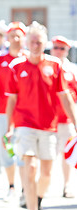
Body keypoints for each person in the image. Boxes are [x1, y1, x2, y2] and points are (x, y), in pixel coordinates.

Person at [5, 22, 77, 210]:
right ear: (27, 42)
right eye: (32, 41)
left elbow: (65, 98)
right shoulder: (16, 66)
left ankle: (37, 200)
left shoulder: (55, 66)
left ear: (45, 43)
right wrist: (9, 126)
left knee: (46, 174)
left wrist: (75, 122)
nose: (35, 45)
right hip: (24, 125)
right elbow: (11, 100)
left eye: (39, 42)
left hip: (49, 127)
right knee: (31, 168)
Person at [0, 21, 27, 202]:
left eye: (19, 35)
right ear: (7, 38)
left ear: (23, 38)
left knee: (25, 149)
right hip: (3, 113)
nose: (15, 39)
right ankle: (12, 186)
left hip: (25, 113)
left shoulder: (29, 58)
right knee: (7, 149)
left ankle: (26, 188)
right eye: (12, 36)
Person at [50, 35, 77, 198]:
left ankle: (67, 185)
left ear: (67, 51)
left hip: (67, 119)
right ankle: (45, 186)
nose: (58, 51)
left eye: (62, 48)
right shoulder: (46, 66)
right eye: (56, 47)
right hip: (48, 119)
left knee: (66, 154)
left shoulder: (73, 69)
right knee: (46, 154)